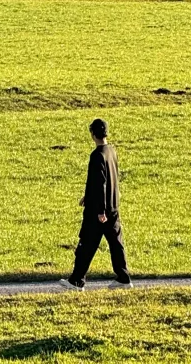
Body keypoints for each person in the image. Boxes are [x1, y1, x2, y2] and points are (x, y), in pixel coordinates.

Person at [60, 118, 131, 289]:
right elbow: (110, 178)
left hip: (98, 210)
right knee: (116, 243)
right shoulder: (111, 151)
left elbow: (100, 183)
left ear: (92, 134)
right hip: (113, 206)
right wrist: (87, 195)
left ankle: (77, 280)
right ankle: (124, 278)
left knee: (86, 244)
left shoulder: (97, 155)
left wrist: (100, 211)